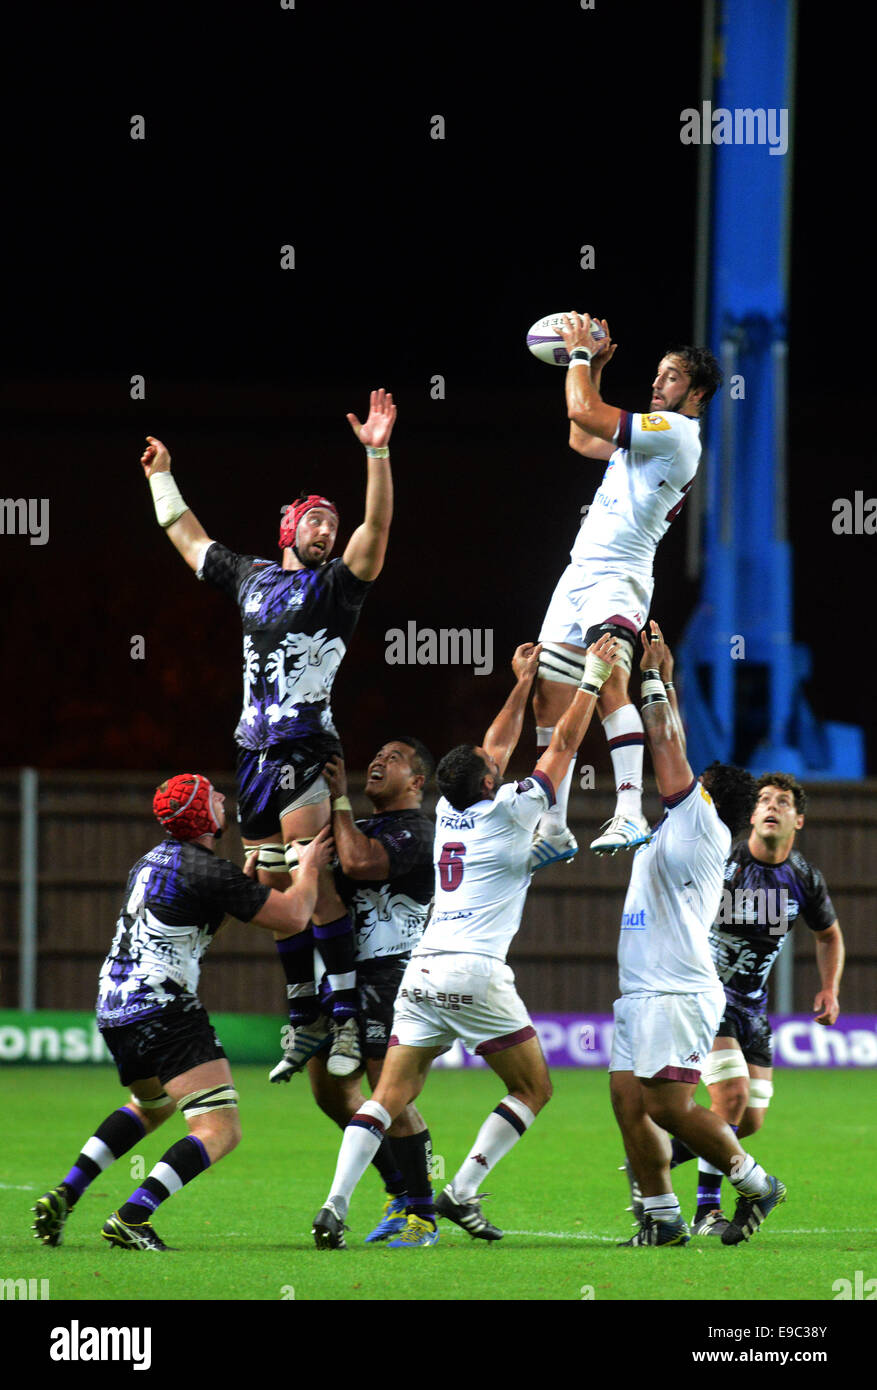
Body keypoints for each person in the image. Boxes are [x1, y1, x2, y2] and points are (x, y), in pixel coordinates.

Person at [310, 633, 620, 1250]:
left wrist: (525, 680)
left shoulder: (450, 812)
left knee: (387, 1096)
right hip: (475, 971)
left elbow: (494, 745)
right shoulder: (510, 808)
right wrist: (590, 680)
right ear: (488, 783)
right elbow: (560, 743)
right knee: (534, 1089)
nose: (498, 766)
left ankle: (332, 1207)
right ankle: (463, 1189)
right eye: (493, 771)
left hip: (421, 971)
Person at [139, 390, 395, 1078]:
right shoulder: (250, 578)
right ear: (287, 529)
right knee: (278, 886)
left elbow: (376, 531)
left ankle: (345, 1022)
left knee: (318, 881)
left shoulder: (339, 587)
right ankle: (305, 1014)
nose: (328, 532)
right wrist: (161, 474)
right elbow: (189, 540)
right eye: (316, 521)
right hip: (252, 752)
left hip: (307, 746)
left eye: (332, 525)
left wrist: (377, 452)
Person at [32, 773, 333, 1252]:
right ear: (202, 816)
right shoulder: (208, 870)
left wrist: (241, 885)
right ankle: (133, 1216)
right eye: (213, 796)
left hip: (114, 1007)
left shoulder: (150, 861)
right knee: (219, 1127)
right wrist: (311, 868)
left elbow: (191, 919)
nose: (222, 798)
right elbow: (295, 916)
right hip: (163, 1008)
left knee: (152, 1105)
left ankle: (67, 1191)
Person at [609, 622, 786, 1247]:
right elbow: (674, 739)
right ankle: (661, 1218)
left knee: (668, 1108)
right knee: (628, 1102)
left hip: (675, 988)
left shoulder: (699, 823)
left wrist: (647, 680)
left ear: (706, 797)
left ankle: (757, 1182)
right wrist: (670, 682)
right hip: (644, 988)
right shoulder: (692, 826)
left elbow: (663, 742)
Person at [530, 312, 722, 867]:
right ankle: (554, 825)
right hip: (579, 574)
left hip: (620, 575)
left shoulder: (677, 434)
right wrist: (595, 367)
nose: (658, 384)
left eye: (671, 377)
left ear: (698, 393)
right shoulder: (648, 434)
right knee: (550, 692)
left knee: (609, 678)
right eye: (658, 375)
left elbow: (579, 409)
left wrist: (580, 357)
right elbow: (579, 433)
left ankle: (632, 808)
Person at [271, 738, 439, 1248]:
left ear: (416, 782)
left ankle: (421, 1214)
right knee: (328, 1090)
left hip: (393, 975)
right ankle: (396, 1194)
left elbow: (363, 864)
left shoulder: (420, 831)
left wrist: (338, 800)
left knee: (387, 1090)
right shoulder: (356, 826)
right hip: (342, 975)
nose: (378, 760)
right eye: (378, 753)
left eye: (394, 758)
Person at [669, 768, 844, 1236]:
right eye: (763, 799)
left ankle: (665, 1150)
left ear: (798, 821)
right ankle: (707, 1210)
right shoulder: (722, 862)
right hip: (707, 996)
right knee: (729, 1097)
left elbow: (829, 936)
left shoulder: (803, 876)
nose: (771, 806)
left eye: (783, 802)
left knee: (749, 1120)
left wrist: (829, 989)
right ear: (751, 813)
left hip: (753, 1007)